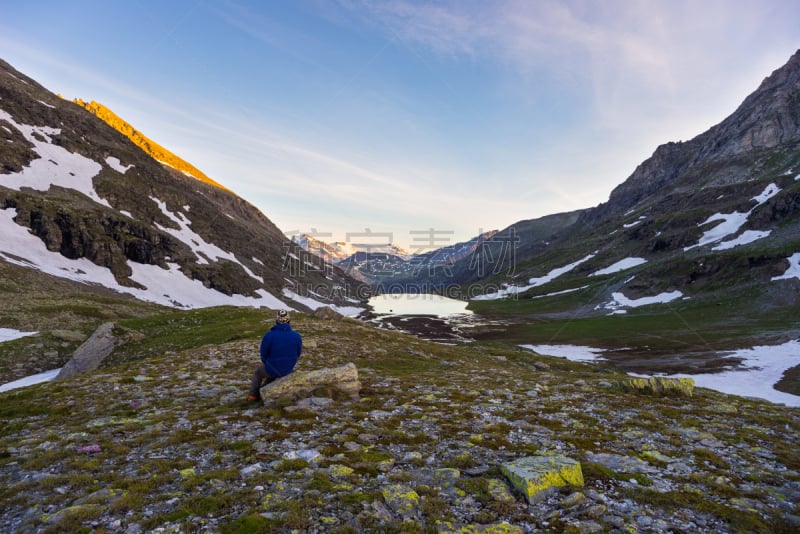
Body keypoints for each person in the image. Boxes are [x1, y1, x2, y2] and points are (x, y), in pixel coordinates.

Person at [248, 310, 303, 401]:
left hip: (272, 368)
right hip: (288, 369)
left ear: (276, 321)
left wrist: (268, 364)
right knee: (273, 374)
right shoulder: (296, 336)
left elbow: (263, 355)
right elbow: (298, 353)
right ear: (289, 321)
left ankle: (253, 396)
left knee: (258, 373)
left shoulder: (269, 335)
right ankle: (264, 390)